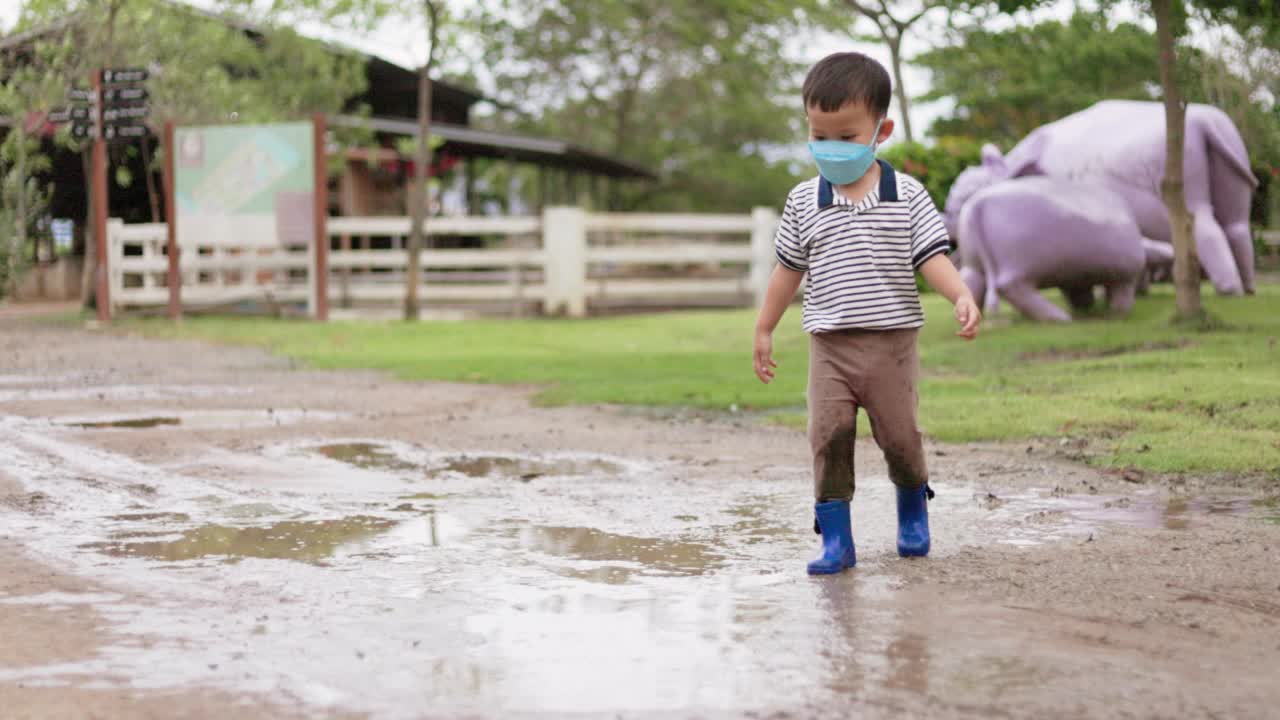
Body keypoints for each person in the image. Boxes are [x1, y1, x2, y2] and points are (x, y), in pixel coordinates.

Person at [752, 52, 981, 576]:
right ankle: (836, 540)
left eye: (847, 136)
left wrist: (962, 296)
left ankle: (912, 512)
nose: (830, 148)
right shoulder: (803, 201)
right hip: (829, 347)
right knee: (828, 436)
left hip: (891, 346)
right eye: (819, 134)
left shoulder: (909, 196)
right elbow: (786, 270)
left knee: (900, 438)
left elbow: (933, 258)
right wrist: (765, 327)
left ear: (883, 130)